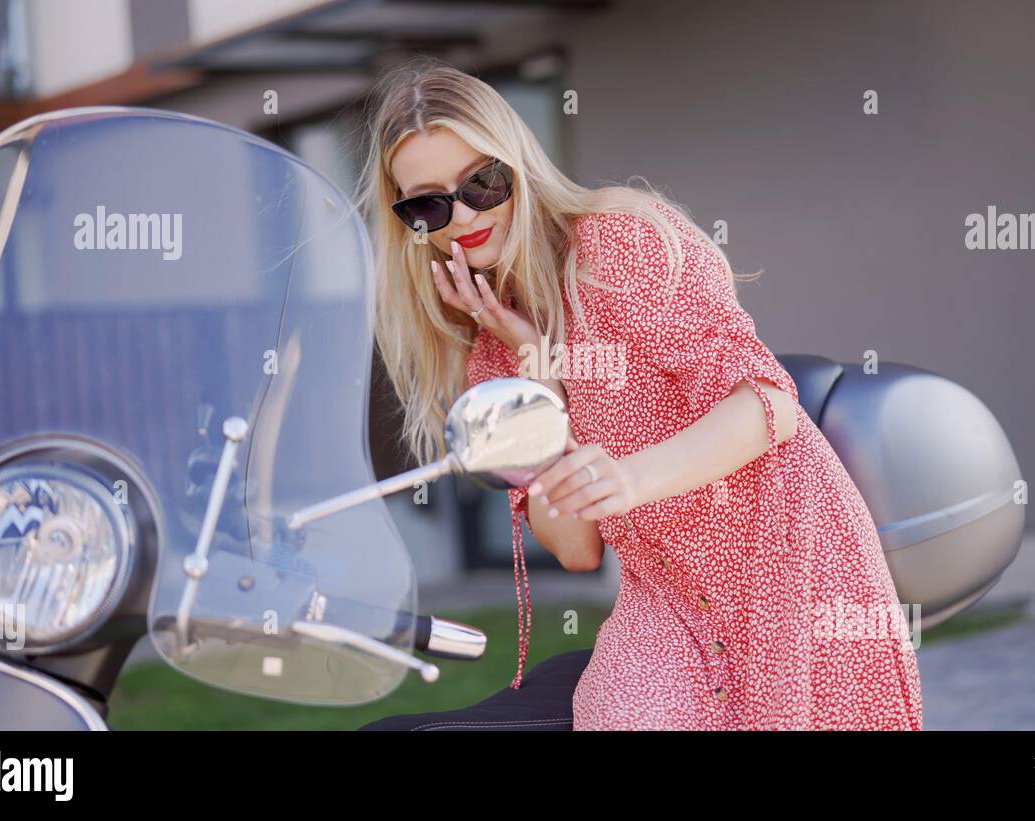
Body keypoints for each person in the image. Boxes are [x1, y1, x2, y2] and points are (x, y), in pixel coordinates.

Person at [354, 58, 922, 730]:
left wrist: (629, 477)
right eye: (428, 203)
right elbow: (575, 548)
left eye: (483, 181)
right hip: (669, 603)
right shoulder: (498, 354)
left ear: (519, 166)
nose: (464, 214)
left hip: (787, 568)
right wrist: (539, 379)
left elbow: (767, 402)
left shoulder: (617, 244)